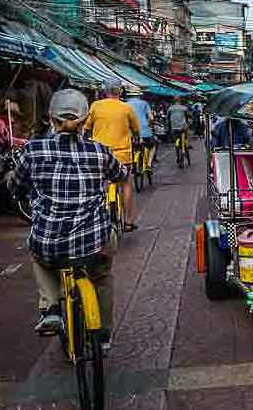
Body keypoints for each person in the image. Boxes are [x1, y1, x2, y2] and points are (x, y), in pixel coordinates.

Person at [10, 89, 126, 347]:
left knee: (38, 256)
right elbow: (121, 174)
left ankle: (51, 307)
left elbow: (14, 186)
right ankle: (104, 335)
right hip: (94, 242)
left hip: (49, 242)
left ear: (51, 119)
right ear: (85, 121)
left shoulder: (33, 150)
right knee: (103, 276)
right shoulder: (100, 151)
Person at [85, 81, 140, 231]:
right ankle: (128, 221)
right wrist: (137, 138)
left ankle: (95, 219)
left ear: (104, 91)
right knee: (126, 183)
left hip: (99, 154)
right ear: (120, 91)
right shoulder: (126, 107)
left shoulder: (95, 106)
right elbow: (136, 129)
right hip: (122, 155)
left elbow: (86, 128)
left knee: (98, 184)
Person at [125, 87, 155, 174]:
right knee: (152, 145)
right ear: (139, 95)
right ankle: (148, 165)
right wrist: (150, 125)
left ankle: (133, 162)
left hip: (130, 132)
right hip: (145, 131)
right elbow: (151, 118)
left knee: (132, 147)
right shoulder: (144, 103)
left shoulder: (125, 104)